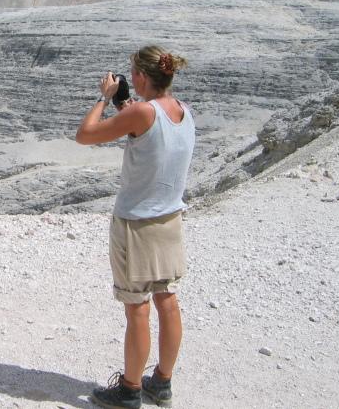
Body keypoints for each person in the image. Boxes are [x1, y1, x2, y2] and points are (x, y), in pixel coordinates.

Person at [75, 45, 195, 409]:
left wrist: (104, 97)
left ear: (142, 77)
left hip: (137, 225)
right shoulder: (183, 111)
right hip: (170, 221)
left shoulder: (142, 111)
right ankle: (161, 383)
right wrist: (123, 103)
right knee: (167, 302)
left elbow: (85, 134)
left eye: (132, 73)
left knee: (137, 308)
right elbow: (146, 126)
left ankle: (128, 390)